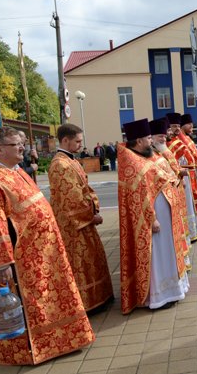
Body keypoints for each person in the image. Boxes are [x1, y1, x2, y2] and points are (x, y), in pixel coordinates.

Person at [0, 126, 94, 365]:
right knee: (32, 304)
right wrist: (2, 263)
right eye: (15, 145)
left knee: (52, 298)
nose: (22, 147)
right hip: (22, 258)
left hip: (45, 252)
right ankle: (35, 348)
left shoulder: (15, 170)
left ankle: (61, 340)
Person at [118, 119, 188, 313]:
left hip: (165, 216)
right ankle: (159, 295)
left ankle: (172, 290)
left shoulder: (146, 155)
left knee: (167, 252)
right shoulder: (132, 161)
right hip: (152, 221)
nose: (151, 141)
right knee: (156, 256)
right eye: (149, 138)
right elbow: (139, 197)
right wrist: (152, 219)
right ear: (139, 140)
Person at [48, 123, 114, 312]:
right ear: (65, 140)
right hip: (73, 225)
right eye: (77, 141)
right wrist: (90, 216)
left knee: (91, 259)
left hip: (84, 220)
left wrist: (94, 209)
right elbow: (71, 198)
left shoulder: (70, 160)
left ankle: (99, 297)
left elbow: (84, 188)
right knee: (80, 262)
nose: (80, 144)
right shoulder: (60, 164)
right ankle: (86, 303)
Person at [149, 117, 192, 287]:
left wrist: (179, 173)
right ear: (151, 137)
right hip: (162, 201)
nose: (164, 137)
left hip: (174, 194)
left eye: (164, 134)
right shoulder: (154, 154)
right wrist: (178, 175)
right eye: (160, 135)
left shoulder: (163, 150)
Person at [168, 113, 197, 240]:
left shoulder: (181, 139)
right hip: (179, 177)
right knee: (186, 206)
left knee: (189, 204)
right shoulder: (169, 143)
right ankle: (189, 234)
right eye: (173, 126)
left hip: (187, 175)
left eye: (178, 126)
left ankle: (192, 232)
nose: (176, 128)